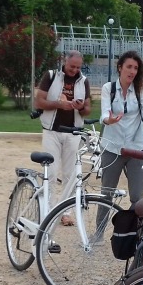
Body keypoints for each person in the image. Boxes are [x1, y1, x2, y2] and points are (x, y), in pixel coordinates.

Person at [97, 51, 143, 228]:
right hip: (112, 147)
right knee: (107, 194)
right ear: (120, 67)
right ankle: (98, 233)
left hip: (137, 148)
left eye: (136, 68)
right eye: (129, 67)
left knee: (137, 197)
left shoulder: (140, 88)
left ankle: (135, 234)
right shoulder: (109, 88)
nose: (132, 71)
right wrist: (109, 120)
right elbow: (104, 112)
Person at [34, 50, 92, 223]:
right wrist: (59, 104)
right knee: (50, 172)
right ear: (65, 62)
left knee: (70, 175)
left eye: (78, 67)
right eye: (71, 66)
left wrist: (80, 107)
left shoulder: (83, 81)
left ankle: (66, 213)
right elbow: (39, 101)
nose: (74, 70)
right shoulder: (51, 76)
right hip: (52, 130)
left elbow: (88, 109)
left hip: (73, 132)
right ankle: (48, 211)